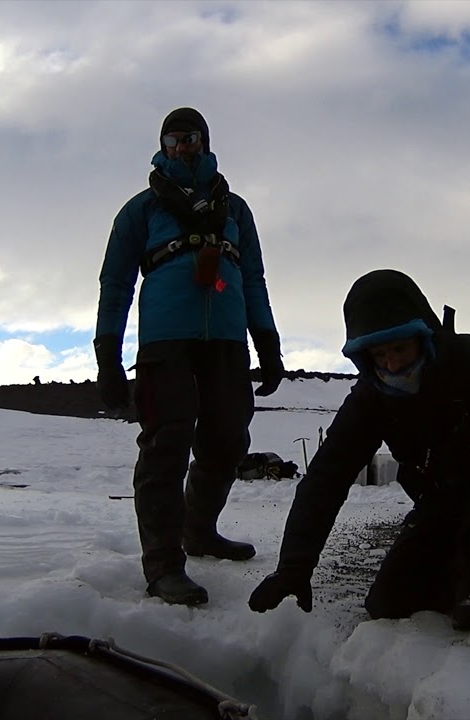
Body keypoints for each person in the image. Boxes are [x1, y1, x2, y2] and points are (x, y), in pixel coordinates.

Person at [248, 269, 470, 631]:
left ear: (423, 335)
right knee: (388, 605)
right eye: (380, 354)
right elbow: (326, 479)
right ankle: (454, 564)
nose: (392, 364)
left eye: (400, 348)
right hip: (438, 500)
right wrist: (294, 566)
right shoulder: (371, 400)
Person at [94, 107, 285, 606]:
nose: (185, 146)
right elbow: (115, 284)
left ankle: (198, 531)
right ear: (162, 145)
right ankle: (162, 566)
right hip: (165, 341)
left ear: (206, 141)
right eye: (175, 139)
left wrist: (267, 340)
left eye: (193, 137)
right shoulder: (141, 209)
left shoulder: (236, 210)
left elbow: (253, 279)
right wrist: (108, 358)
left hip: (226, 341)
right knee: (167, 443)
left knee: (226, 440)